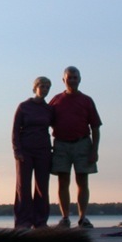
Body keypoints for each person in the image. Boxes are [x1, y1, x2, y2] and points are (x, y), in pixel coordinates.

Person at [49, 66, 102, 228]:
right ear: (63, 80)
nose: (72, 80)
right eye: (69, 77)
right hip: (61, 145)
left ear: (80, 79)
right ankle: (65, 217)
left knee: (82, 181)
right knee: (63, 182)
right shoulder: (56, 100)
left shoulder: (86, 100)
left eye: (75, 77)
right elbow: (44, 122)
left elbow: (95, 127)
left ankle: (83, 217)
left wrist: (94, 150)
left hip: (82, 144)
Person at [11, 76, 55, 228]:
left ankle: (40, 220)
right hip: (25, 151)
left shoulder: (49, 109)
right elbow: (15, 130)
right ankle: (23, 221)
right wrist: (17, 150)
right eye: (42, 86)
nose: (44, 90)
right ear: (35, 87)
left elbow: (57, 129)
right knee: (23, 186)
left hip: (43, 151)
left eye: (47, 87)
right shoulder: (24, 107)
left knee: (42, 187)